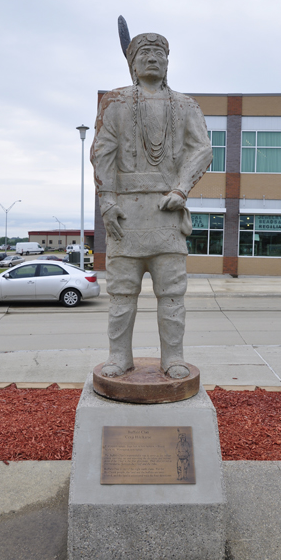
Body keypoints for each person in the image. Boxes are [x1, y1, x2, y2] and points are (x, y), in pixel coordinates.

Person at [91, 31, 212, 379]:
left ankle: (173, 357)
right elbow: (102, 152)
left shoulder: (186, 106)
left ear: (168, 62)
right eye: (144, 53)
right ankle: (119, 356)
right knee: (121, 295)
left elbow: (201, 149)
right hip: (125, 218)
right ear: (132, 62)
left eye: (159, 53)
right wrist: (107, 201)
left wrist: (181, 188)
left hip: (167, 215)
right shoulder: (115, 102)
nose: (153, 58)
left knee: (172, 294)